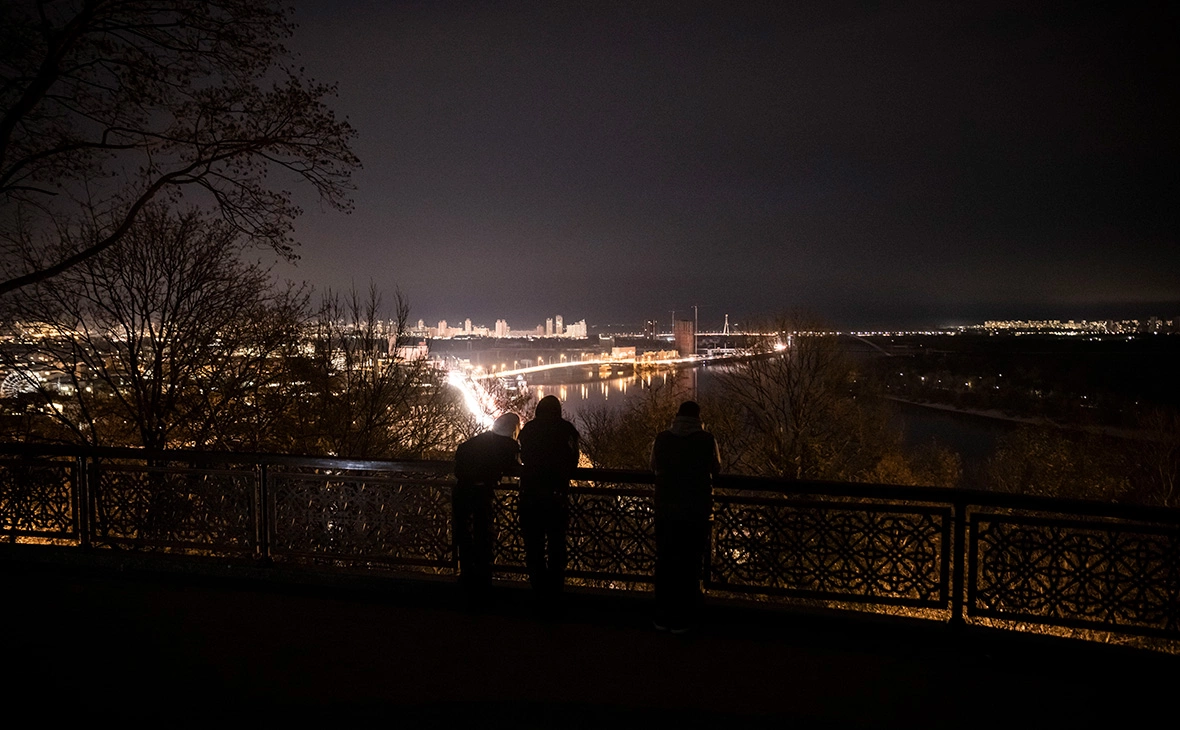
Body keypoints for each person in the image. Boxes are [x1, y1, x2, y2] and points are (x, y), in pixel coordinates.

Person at [650, 400, 721, 633]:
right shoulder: (707, 440)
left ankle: (662, 616)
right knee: (691, 563)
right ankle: (684, 618)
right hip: (695, 510)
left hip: (665, 509)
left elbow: (653, 466)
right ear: (698, 418)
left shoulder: (662, 439)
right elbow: (716, 469)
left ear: (677, 416)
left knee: (665, 561)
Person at [517, 395, 580, 602]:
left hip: (530, 495)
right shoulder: (566, 430)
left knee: (533, 547)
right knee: (556, 545)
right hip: (556, 496)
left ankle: (538, 591)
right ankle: (555, 593)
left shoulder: (528, 429)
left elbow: (523, 457)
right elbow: (573, 461)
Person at [453, 412, 521, 597]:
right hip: (480, 492)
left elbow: (461, 455)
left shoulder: (480, 440)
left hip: (461, 490)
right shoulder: (508, 444)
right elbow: (513, 467)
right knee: (483, 533)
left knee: (464, 533)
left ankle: (466, 575)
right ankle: (482, 580)